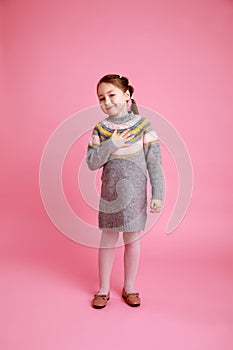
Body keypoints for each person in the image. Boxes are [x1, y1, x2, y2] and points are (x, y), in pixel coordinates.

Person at [86, 74, 164, 309]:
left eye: (112, 95)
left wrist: (158, 193)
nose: (107, 101)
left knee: (132, 239)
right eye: (102, 97)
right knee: (107, 240)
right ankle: (103, 288)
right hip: (110, 195)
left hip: (136, 195)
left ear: (127, 96)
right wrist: (112, 144)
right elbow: (91, 162)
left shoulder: (143, 125)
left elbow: (155, 162)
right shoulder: (100, 129)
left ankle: (129, 286)